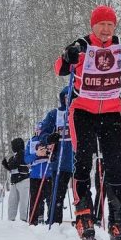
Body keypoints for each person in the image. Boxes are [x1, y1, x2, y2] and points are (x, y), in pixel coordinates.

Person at [55, 5, 121, 240]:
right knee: (83, 161)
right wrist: (67, 57)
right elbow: (60, 69)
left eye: (110, 25)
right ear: (93, 25)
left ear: (115, 27)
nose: (105, 30)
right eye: (101, 24)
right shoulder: (82, 45)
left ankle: (115, 222)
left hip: (112, 112)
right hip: (82, 111)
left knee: (114, 166)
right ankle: (84, 215)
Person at [39, 87, 75, 225]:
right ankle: (54, 220)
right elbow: (43, 133)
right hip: (60, 160)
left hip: (78, 158)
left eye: (70, 97)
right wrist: (49, 138)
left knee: (82, 191)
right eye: (65, 97)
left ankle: (84, 219)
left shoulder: (80, 111)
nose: (68, 100)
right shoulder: (55, 113)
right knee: (58, 193)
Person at [93, 133, 121, 225]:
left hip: (114, 160)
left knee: (114, 189)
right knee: (101, 190)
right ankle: (97, 216)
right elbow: (92, 147)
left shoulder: (118, 130)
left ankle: (115, 216)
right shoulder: (97, 129)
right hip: (101, 160)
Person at [25, 122, 52, 225]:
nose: (38, 131)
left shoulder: (48, 140)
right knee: (35, 198)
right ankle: (34, 219)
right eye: (37, 129)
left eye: (41, 129)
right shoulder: (31, 141)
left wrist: (48, 153)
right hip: (35, 175)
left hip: (48, 174)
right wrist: (36, 154)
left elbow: (55, 155)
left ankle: (51, 220)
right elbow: (26, 159)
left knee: (50, 198)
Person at [2, 138, 30, 222]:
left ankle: (24, 218)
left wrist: (8, 164)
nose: (12, 147)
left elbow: (14, 164)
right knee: (12, 201)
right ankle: (11, 218)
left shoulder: (23, 153)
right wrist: (6, 165)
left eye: (13, 145)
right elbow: (11, 167)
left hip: (23, 180)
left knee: (24, 201)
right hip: (14, 181)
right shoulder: (14, 156)